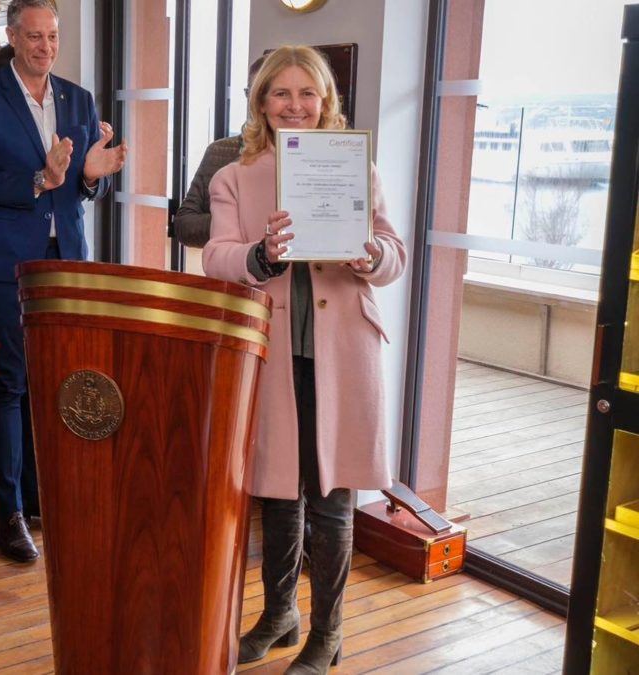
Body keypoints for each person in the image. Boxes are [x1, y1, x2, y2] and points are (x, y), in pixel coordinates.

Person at [202, 45, 406, 673]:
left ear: (326, 102)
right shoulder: (233, 176)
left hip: (343, 357)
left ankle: (328, 633)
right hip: (272, 355)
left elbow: (394, 256)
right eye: (281, 94)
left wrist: (367, 254)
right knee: (278, 495)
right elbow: (216, 258)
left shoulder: (359, 169)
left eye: (308, 94)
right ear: (262, 103)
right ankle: (279, 615)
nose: (295, 105)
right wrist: (260, 256)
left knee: (332, 499)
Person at [0, 0, 127, 563]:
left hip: (67, 259)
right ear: (11, 35)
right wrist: (39, 177)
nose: (45, 47)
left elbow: (77, 186)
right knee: (10, 383)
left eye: (52, 36)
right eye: (33, 36)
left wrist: (90, 179)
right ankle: (7, 512)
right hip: (5, 264)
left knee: (53, 380)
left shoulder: (77, 98)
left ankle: (36, 497)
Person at [172, 55, 265, 248]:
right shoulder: (219, 152)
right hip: (229, 274)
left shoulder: (314, 159)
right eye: (256, 92)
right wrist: (237, 221)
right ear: (248, 95)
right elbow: (184, 225)